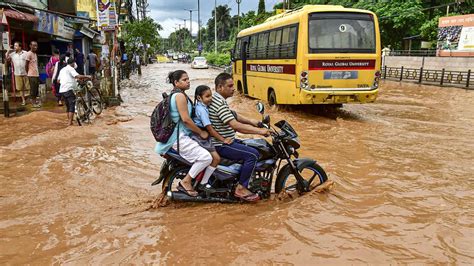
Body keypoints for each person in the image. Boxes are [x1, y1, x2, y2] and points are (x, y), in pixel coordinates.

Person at [209, 73, 270, 202]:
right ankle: (241, 188)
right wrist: (260, 131)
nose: (233, 89)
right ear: (220, 87)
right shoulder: (219, 103)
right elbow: (236, 126)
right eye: (230, 86)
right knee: (253, 155)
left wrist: (253, 122)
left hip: (223, 141)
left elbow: (233, 115)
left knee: (249, 146)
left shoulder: (216, 99)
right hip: (221, 144)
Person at [154, 70, 213, 197]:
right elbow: (186, 120)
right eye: (184, 80)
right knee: (206, 157)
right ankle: (186, 182)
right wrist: (201, 132)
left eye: (188, 79)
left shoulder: (178, 94)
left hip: (180, 136)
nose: (188, 82)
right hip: (177, 138)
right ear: (176, 82)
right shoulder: (179, 96)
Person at [192, 85, 232, 191]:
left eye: (211, 95)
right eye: (207, 96)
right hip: (202, 137)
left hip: (200, 135)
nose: (210, 98)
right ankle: (203, 183)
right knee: (216, 158)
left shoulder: (202, 107)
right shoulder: (202, 110)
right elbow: (210, 129)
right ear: (199, 98)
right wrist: (223, 139)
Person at [57, 58, 91, 126]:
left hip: (62, 90)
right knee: (72, 106)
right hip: (69, 89)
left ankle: (70, 120)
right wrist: (88, 76)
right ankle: (70, 123)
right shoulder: (71, 68)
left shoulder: (62, 70)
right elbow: (77, 76)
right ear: (72, 63)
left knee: (68, 106)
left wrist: (66, 82)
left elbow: (58, 81)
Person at [6, 41, 28, 106]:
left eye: (16, 46)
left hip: (26, 73)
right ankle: (23, 100)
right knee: (20, 88)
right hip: (17, 73)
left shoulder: (25, 53)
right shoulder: (13, 54)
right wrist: (8, 50)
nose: (15, 47)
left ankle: (31, 99)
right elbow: (6, 58)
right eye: (14, 46)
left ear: (20, 47)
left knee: (28, 87)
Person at [25, 41, 40, 107]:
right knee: (33, 89)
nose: (35, 47)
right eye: (34, 45)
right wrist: (27, 72)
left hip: (36, 74)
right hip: (31, 74)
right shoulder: (29, 54)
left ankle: (35, 102)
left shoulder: (35, 54)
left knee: (36, 89)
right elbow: (26, 64)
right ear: (30, 46)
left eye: (36, 45)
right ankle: (33, 103)